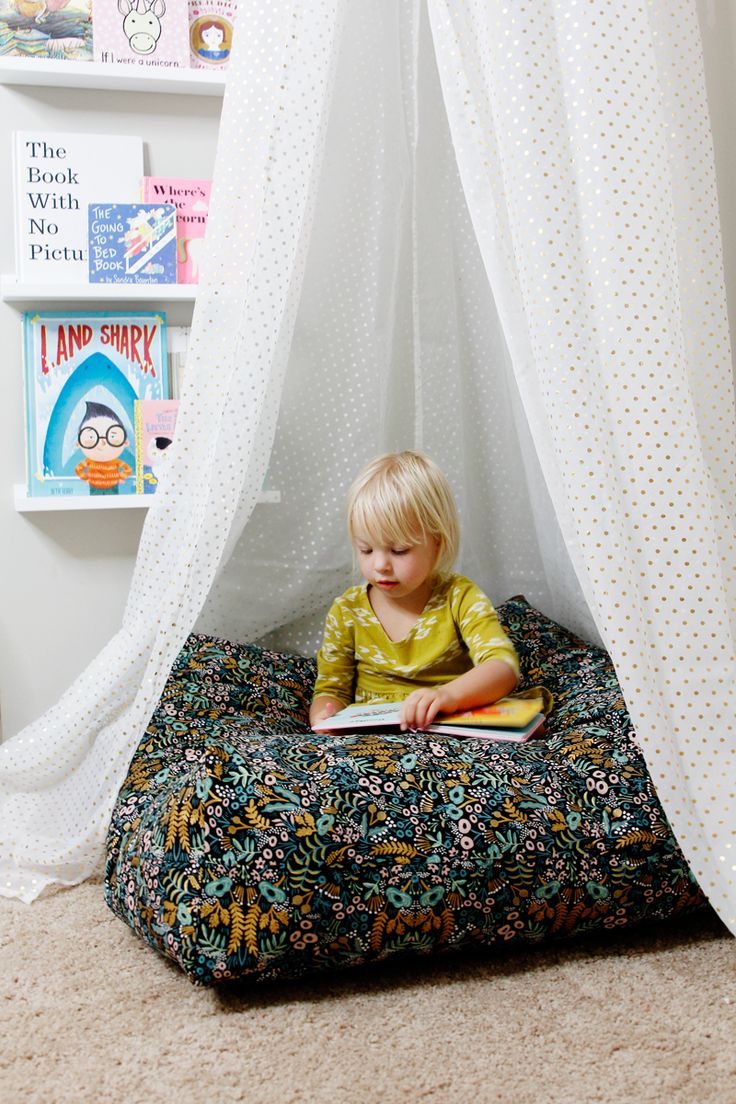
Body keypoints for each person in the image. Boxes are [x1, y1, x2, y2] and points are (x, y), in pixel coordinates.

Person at [310, 450, 523, 733]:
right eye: (366, 549)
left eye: (399, 551)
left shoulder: (458, 597)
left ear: (437, 542)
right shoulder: (347, 610)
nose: (380, 565)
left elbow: (503, 667)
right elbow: (331, 689)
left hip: (445, 731)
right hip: (374, 741)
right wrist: (324, 716)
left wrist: (445, 697)